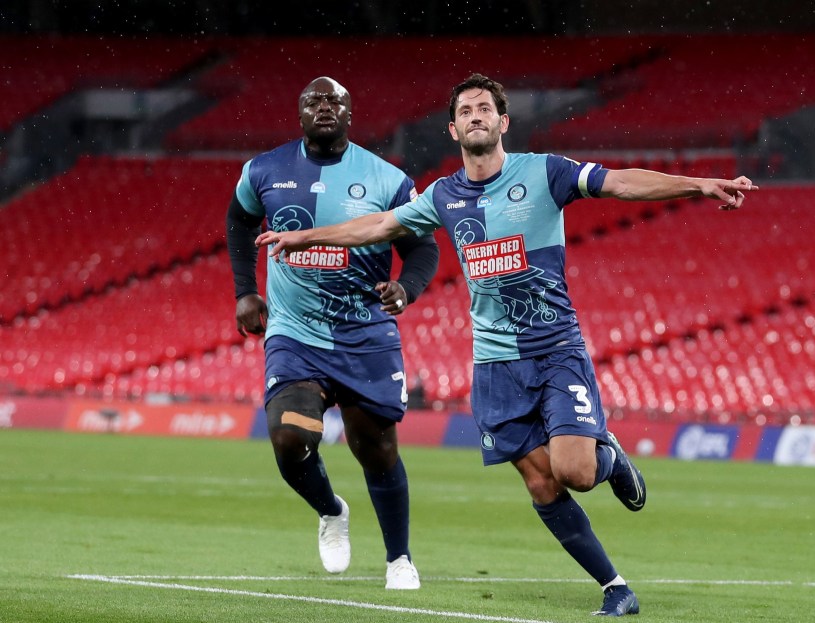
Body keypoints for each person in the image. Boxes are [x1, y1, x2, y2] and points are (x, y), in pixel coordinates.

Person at [256, 73, 758, 616]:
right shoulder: (443, 195)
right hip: (495, 365)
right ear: (453, 129)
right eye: (465, 110)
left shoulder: (545, 172)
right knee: (541, 482)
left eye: (484, 108)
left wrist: (698, 185)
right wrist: (302, 236)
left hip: (555, 349)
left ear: (503, 122)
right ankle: (615, 587)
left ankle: (609, 460)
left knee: (575, 472)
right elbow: (378, 225)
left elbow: (621, 182)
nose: (475, 115)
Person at [226, 76, 439, 589]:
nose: (324, 107)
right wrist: (244, 290)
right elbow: (238, 220)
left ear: (350, 112)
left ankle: (399, 560)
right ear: (299, 113)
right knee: (289, 439)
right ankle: (330, 509)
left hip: (365, 334)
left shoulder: (387, 179)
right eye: (313, 101)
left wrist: (405, 288)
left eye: (334, 101)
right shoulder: (263, 170)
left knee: (376, 449)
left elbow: (423, 247)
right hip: (294, 334)